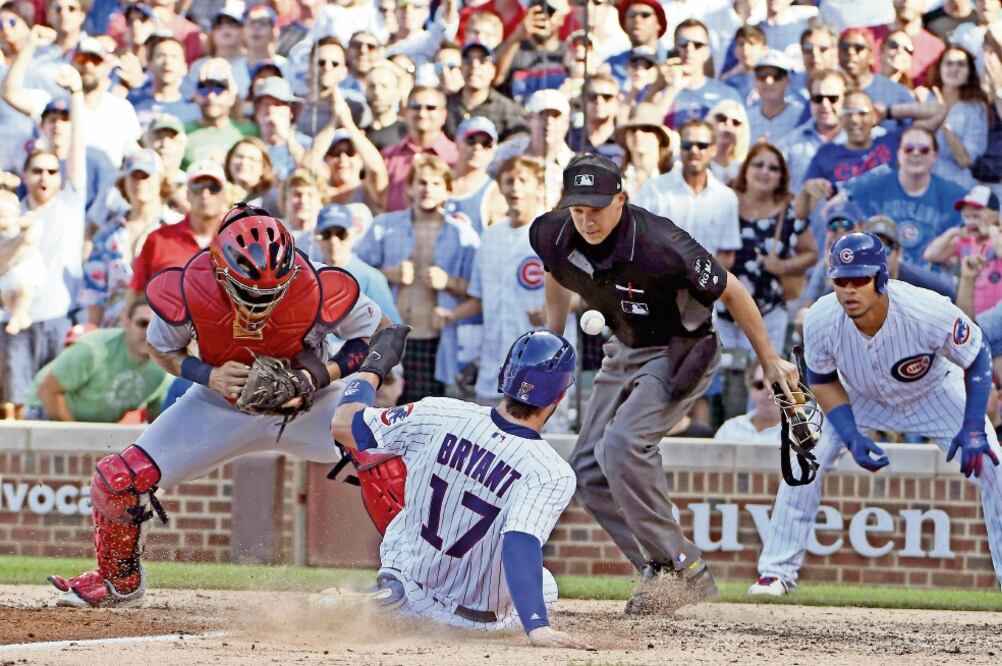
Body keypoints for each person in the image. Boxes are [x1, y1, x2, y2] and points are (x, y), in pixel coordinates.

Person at [48, 203, 390, 608]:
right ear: (220, 269)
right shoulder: (188, 288)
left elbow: (380, 335)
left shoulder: (317, 281)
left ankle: (414, 580)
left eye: (273, 290)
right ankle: (118, 582)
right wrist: (207, 373)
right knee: (117, 478)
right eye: (249, 290)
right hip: (219, 405)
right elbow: (163, 349)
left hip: (309, 403)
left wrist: (317, 376)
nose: (260, 302)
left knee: (389, 457)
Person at [532, 153, 799, 613]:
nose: (586, 219)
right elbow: (557, 274)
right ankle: (662, 575)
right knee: (587, 472)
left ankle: (683, 565)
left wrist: (769, 357)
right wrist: (554, 335)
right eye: (578, 209)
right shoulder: (550, 232)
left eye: (596, 207)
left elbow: (733, 291)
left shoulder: (663, 243)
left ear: (621, 198)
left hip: (680, 349)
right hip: (623, 347)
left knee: (620, 446)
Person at [748, 231, 1002, 597]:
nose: (849, 289)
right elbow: (821, 379)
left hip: (933, 392)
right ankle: (775, 574)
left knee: (994, 466)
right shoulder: (821, 317)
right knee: (808, 457)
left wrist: (975, 427)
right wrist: (849, 434)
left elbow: (977, 355)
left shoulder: (926, 308)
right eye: (841, 280)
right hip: (859, 394)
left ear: (881, 279)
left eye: (860, 279)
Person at [328, 329, 590, 649]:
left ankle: (391, 587)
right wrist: (538, 628)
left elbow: (343, 425)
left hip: (415, 592)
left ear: (502, 376)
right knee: (545, 584)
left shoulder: (440, 412)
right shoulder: (552, 472)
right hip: (481, 623)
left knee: (405, 528)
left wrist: (373, 366)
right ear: (559, 397)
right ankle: (400, 594)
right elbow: (519, 542)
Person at [355, 155, 479, 403]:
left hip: (433, 340)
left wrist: (448, 282)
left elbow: (479, 291)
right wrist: (389, 274)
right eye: (421, 182)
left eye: (435, 184)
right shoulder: (384, 226)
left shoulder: (462, 235)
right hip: (387, 334)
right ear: (410, 187)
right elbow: (355, 273)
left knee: (427, 415)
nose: (427, 190)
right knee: (381, 411)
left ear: (447, 190)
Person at [438, 156, 548, 404]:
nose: (515, 188)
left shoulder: (551, 235)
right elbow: (479, 299)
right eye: (509, 181)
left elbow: (579, 298)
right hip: (494, 367)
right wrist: (451, 316)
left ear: (538, 187)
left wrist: (550, 313)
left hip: (540, 366)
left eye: (523, 181)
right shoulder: (490, 238)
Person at [840, 125, 967, 268]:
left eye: (924, 150)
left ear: (934, 156)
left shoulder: (954, 194)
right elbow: (835, 206)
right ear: (899, 153)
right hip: (879, 272)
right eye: (909, 149)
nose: (916, 153)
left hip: (929, 280)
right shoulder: (875, 184)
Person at [26, 299, 171, 423]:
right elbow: (47, 391)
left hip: (95, 429)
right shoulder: (93, 349)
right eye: (142, 323)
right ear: (126, 324)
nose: (149, 333)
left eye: (158, 327)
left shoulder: (165, 367)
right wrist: (78, 438)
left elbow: (157, 419)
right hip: (45, 409)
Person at [635, 119, 740, 268]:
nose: (694, 151)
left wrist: (700, 286)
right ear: (680, 148)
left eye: (702, 145)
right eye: (687, 145)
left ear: (713, 149)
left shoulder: (726, 198)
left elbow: (726, 254)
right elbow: (637, 240)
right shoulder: (653, 190)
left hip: (706, 288)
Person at [314, 203, 402, 325]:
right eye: (326, 234)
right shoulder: (310, 276)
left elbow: (393, 329)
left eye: (341, 234)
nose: (334, 241)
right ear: (316, 237)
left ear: (353, 235)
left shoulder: (371, 278)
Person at [924, 185, 1002, 314]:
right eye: (967, 217)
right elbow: (930, 255)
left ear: (994, 216)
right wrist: (951, 233)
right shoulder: (964, 241)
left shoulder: (998, 236)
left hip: (996, 319)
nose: (970, 222)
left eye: (976, 216)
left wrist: (992, 230)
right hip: (970, 313)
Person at [927, 46, 989, 189]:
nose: (954, 69)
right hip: (919, 180)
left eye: (961, 64)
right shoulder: (925, 98)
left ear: (969, 71)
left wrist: (943, 123)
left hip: (955, 184)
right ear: (939, 68)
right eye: (949, 63)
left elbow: (965, 160)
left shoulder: (975, 108)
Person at [445, 41, 527, 143]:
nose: (474, 65)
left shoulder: (508, 108)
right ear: (460, 68)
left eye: (483, 60)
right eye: (467, 60)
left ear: (493, 71)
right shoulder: (444, 104)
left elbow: (519, 140)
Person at [445, 116, 507, 234]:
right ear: (456, 143)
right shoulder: (436, 182)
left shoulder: (495, 193)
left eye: (486, 143)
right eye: (471, 140)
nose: (477, 148)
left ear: (494, 149)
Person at [0, 189, 42, 335]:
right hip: (8, 273)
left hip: (25, 269)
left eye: (4, 216)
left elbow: (33, 221)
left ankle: (18, 316)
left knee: (24, 292)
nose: (2, 222)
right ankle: (16, 317)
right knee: (6, 294)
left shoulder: (19, 223)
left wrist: (23, 226)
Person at [615, 102, 675, 197]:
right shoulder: (613, 175)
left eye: (646, 129)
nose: (638, 134)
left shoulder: (674, 174)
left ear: (659, 136)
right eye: (632, 129)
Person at [713, 363, 782, 444]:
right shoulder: (729, 429)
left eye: (775, 386)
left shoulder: (797, 433)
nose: (768, 391)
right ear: (750, 388)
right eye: (760, 385)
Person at [746, 49, 805, 145]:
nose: (769, 81)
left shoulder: (800, 115)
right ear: (755, 80)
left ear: (787, 81)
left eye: (776, 76)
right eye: (762, 76)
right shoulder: (746, 119)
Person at [705, 99, 749, 185]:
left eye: (736, 122)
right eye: (722, 118)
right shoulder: (697, 161)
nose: (728, 124)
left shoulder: (745, 170)